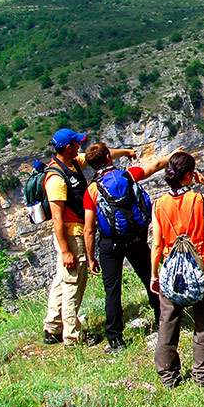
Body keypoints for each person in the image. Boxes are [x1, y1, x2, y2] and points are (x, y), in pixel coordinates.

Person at [83, 143, 181, 354]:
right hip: (136, 238)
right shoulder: (128, 175)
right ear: (109, 157)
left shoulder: (92, 190)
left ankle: (115, 339)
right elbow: (154, 165)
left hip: (110, 244)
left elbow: (89, 229)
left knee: (112, 290)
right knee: (151, 279)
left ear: (90, 165)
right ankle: (163, 322)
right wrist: (173, 155)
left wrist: (91, 258)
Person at [42, 128, 135, 348]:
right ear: (68, 148)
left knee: (61, 280)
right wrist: (66, 251)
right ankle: (72, 338)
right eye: (76, 144)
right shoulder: (56, 178)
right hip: (71, 236)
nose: (79, 147)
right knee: (74, 282)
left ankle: (52, 327)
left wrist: (127, 152)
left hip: (72, 235)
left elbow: (103, 154)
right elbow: (56, 218)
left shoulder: (72, 163)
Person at [150, 152, 204, 387]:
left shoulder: (159, 204)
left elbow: (156, 244)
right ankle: (202, 375)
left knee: (168, 322)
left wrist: (154, 274)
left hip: (171, 272)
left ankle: (168, 376)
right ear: (189, 175)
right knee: (203, 323)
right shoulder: (198, 199)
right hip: (201, 268)